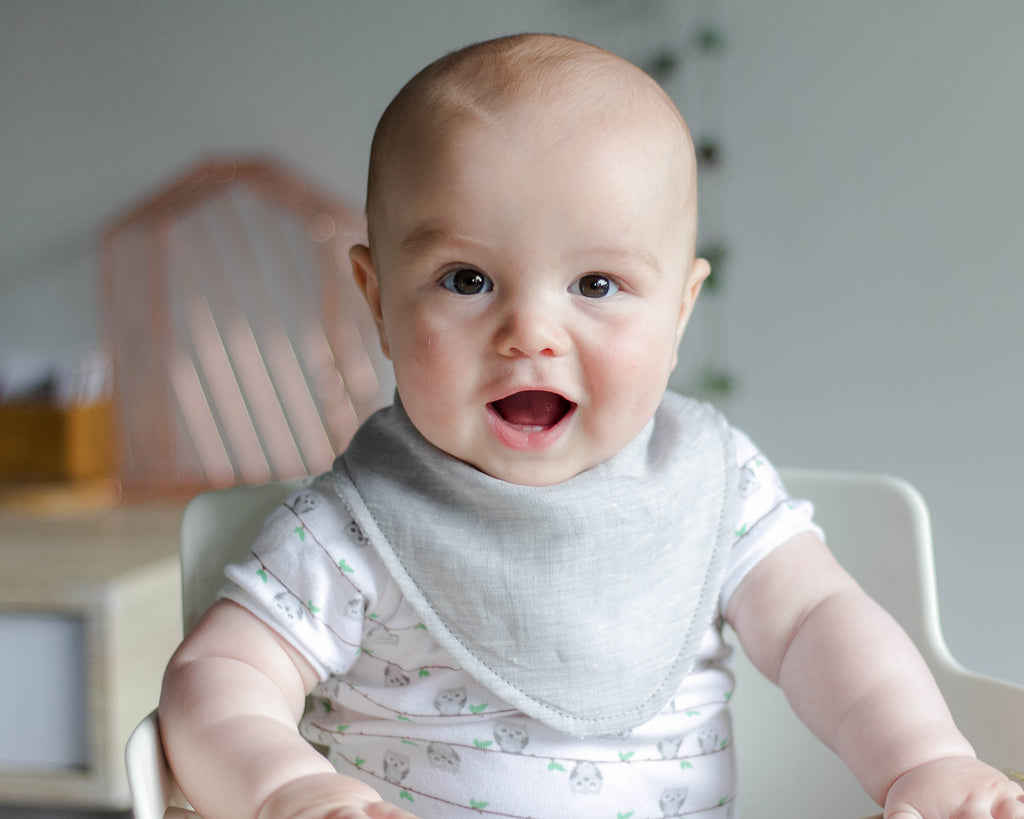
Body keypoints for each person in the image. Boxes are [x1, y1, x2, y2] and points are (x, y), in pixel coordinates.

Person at [159, 33, 1024, 819]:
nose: (530, 332)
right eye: (466, 279)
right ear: (378, 302)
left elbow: (818, 626)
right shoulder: (354, 526)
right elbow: (219, 677)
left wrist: (922, 759)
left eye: (597, 284)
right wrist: (286, 785)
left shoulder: (713, 490)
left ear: (681, 311)